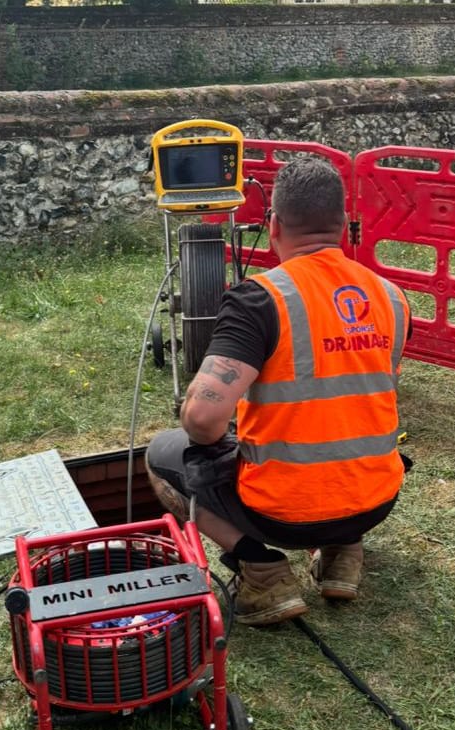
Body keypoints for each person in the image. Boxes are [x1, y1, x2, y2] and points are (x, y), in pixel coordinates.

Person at [145, 156, 411, 627]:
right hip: (375, 502)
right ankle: (342, 557)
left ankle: (262, 570)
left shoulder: (260, 299)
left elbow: (203, 421)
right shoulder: (392, 297)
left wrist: (219, 443)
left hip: (282, 516)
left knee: (165, 453)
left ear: (274, 225)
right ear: (343, 226)